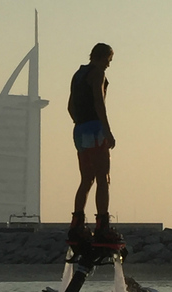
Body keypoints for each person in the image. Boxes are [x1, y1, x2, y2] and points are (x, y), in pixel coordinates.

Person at [67, 43, 122, 245]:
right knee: (103, 178)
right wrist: (106, 131)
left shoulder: (78, 75)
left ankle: (77, 224)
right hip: (94, 128)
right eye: (109, 60)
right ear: (102, 57)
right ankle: (102, 226)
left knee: (86, 179)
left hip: (79, 130)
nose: (109, 65)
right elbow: (99, 102)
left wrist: (80, 123)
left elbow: (70, 107)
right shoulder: (97, 73)